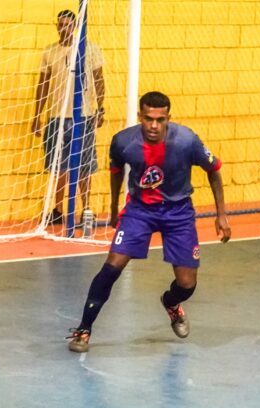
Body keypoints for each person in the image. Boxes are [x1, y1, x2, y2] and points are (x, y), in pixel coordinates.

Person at [67, 91, 232, 353]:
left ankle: (171, 302)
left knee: (187, 284)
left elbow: (214, 170)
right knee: (111, 267)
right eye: (148, 119)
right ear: (139, 116)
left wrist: (221, 215)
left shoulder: (187, 141)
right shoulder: (123, 142)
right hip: (139, 211)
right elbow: (116, 171)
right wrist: (112, 209)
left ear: (168, 118)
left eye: (160, 119)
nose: (154, 125)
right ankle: (84, 329)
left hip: (178, 213)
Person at [31, 9, 106, 225]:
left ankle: (86, 210)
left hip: (84, 116)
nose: (63, 29)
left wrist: (100, 108)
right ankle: (57, 209)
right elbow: (43, 85)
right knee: (59, 165)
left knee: (84, 165)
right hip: (57, 117)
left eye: (67, 25)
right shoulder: (50, 52)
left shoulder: (90, 49)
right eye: (60, 25)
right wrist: (37, 115)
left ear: (75, 27)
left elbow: (99, 80)